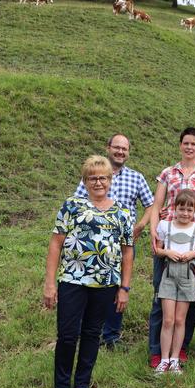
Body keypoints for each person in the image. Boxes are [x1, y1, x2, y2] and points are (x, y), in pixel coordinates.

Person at [44, 155, 133, 388]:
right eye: (92, 178)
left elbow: (128, 252)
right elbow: (55, 244)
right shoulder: (71, 206)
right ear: (84, 181)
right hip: (72, 280)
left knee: (92, 334)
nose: (98, 182)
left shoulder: (122, 212)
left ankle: (81, 387)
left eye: (102, 177)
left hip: (105, 285)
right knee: (68, 335)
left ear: (110, 179)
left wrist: (124, 287)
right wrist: (50, 284)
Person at [74, 134, 153, 349]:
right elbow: (77, 205)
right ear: (108, 148)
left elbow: (151, 205)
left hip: (123, 244)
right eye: (116, 147)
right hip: (94, 244)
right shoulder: (95, 176)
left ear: (128, 152)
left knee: (119, 287)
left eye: (124, 149)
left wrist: (140, 225)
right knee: (90, 285)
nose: (120, 152)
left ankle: (111, 335)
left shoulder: (136, 178)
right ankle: (88, 331)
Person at [148, 127, 195, 368]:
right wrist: (154, 231)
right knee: (161, 295)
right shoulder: (168, 173)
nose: (189, 147)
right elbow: (157, 206)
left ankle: (180, 349)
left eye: (193, 144)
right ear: (180, 145)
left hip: (193, 241)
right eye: (185, 143)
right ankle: (158, 352)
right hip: (168, 238)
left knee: (189, 296)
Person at [154, 189, 195, 375]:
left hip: (188, 275)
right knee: (168, 320)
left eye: (189, 210)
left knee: (180, 319)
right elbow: (157, 250)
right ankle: (163, 359)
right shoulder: (165, 226)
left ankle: (175, 359)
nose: (185, 213)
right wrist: (168, 252)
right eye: (182, 209)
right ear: (175, 208)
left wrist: (192, 254)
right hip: (168, 274)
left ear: (194, 211)